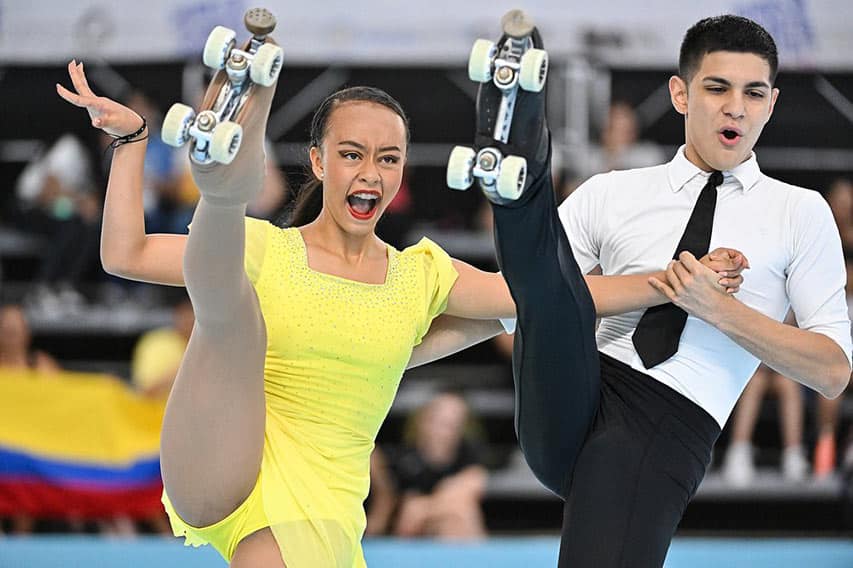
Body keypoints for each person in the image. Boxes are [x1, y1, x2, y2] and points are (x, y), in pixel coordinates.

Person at [57, 36, 746, 566]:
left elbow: (548, 296)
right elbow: (122, 255)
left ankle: (225, 177)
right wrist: (129, 143)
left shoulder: (421, 274)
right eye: (351, 154)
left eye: (387, 159)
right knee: (230, 304)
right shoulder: (273, 248)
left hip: (326, 505)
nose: (371, 172)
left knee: (236, 295)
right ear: (320, 163)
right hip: (221, 458)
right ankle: (225, 177)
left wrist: (676, 281)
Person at [472, 13, 851, 567]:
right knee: (544, 285)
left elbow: (833, 371)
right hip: (571, 386)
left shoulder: (800, 211)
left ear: (772, 102)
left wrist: (716, 308)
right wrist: (396, 354)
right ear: (680, 93)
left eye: (753, 92)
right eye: (717, 88)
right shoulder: (613, 192)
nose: (735, 108)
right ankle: (518, 169)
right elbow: (507, 304)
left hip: (664, 417)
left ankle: (517, 184)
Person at [384, 391, 488, 539]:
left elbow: (475, 484)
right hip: (412, 531)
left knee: (462, 513)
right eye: (441, 421)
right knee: (459, 513)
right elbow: (407, 515)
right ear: (423, 421)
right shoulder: (407, 459)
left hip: (446, 518)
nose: (445, 431)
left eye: (453, 423)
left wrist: (427, 507)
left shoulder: (467, 451)